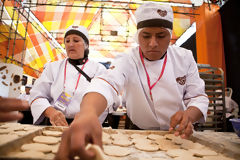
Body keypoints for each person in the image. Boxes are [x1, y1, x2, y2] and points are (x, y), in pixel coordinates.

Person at [55, 3, 209, 160]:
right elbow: (106, 83)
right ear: (138, 36)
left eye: (161, 36)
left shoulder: (184, 57)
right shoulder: (128, 59)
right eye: (146, 36)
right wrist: (88, 113)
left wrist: (189, 115)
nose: (153, 43)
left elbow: (197, 96)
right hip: (139, 132)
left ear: (170, 35)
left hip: (179, 134)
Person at [30, 25, 107, 126]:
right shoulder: (52, 68)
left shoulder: (99, 70)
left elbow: (107, 99)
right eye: (67, 41)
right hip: (55, 123)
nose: (70, 44)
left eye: (76, 40)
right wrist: (51, 112)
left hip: (86, 125)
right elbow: (37, 95)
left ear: (86, 45)